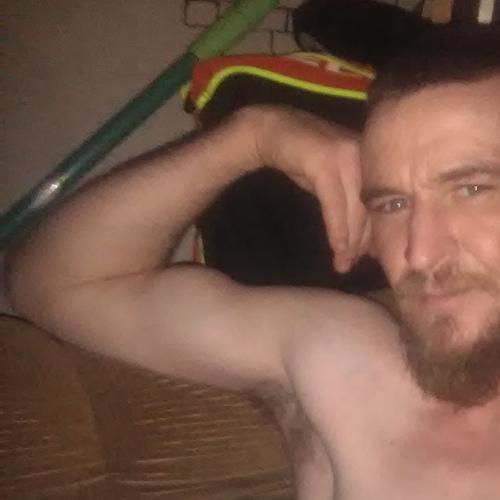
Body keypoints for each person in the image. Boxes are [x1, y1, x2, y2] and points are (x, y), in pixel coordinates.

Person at [5, 27, 500, 499]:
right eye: (393, 204)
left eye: (472, 188)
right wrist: (251, 138)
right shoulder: (352, 371)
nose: (419, 252)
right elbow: (55, 285)